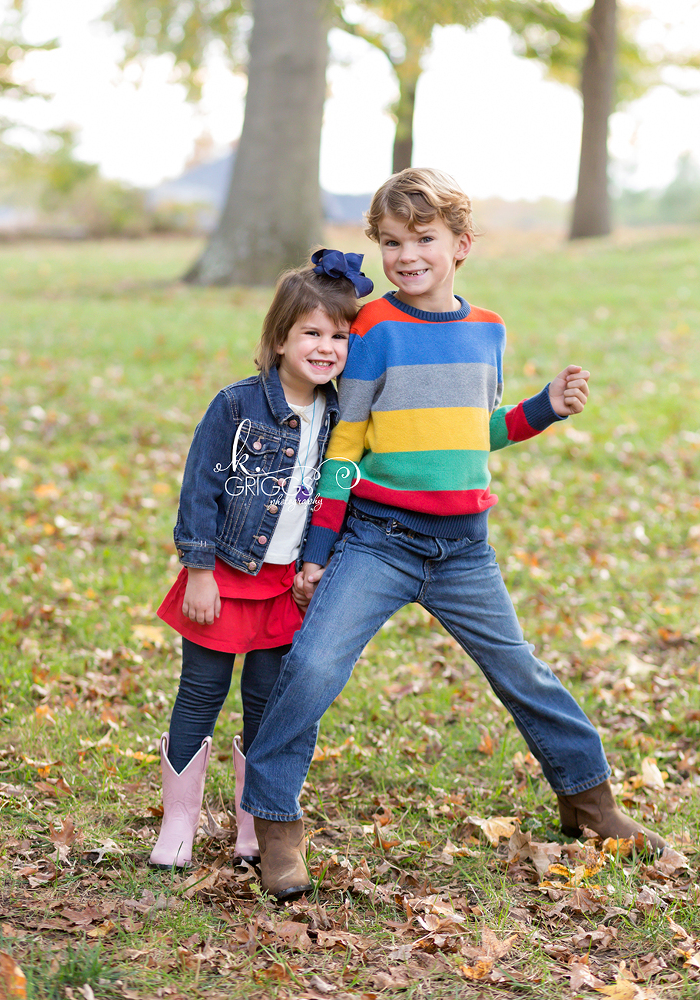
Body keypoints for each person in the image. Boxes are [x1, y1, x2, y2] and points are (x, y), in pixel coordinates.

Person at [241, 167, 668, 900]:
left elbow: (476, 435)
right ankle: (276, 818)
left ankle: (588, 800)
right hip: (378, 539)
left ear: (461, 244)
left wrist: (546, 408)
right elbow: (347, 446)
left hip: (465, 549)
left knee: (522, 672)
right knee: (311, 667)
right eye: (393, 243)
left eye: (425, 239)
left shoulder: (488, 330)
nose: (408, 256)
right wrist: (318, 553)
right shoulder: (374, 328)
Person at [149, 252, 373, 869]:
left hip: (284, 587)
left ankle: (254, 822)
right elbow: (201, 487)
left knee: (267, 701)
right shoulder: (236, 406)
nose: (326, 347)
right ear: (278, 339)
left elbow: (341, 495)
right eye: (312, 332)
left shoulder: (342, 417)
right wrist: (198, 570)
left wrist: (318, 564)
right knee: (201, 691)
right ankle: (179, 822)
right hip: (224, 574)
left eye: (339, 336)